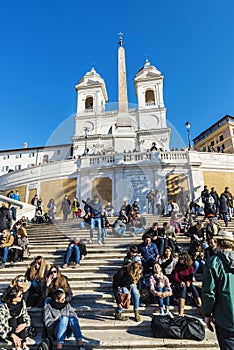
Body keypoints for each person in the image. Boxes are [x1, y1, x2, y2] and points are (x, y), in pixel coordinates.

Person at [201, 231, 234, 350]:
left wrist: (207, 313)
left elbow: (209, 293)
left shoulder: (213, 262)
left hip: (225, 318)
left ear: (218, 243)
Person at [173, 251, 201, 316]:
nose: (180, 260)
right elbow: (175, 277)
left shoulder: (191, 268)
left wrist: (189, 282)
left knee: (193, 287)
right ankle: (181, 310)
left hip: (187, 283)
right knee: (183, 288)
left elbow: (190, 278)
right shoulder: (178, 267)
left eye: (181, 259)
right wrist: (180, 282)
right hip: (179, 284)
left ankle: (200, 306)